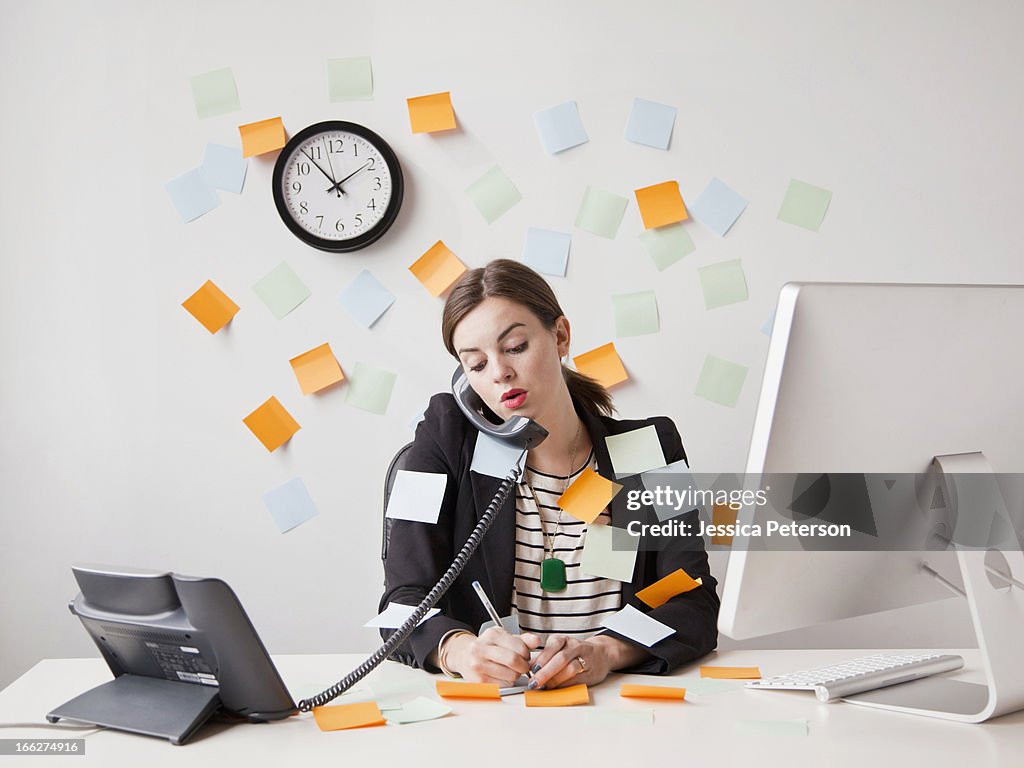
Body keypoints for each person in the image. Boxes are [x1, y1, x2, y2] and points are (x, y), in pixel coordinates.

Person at [380, 259, 719, 690]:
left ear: (560, 336)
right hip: (491, 713)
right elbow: (400, 603)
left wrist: (608, 651)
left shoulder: (649, 448)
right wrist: (462, 651)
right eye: (476, 364)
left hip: (613, 704)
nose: (500, 372)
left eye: (516, 346)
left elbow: (694, 600)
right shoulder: (443, 439)